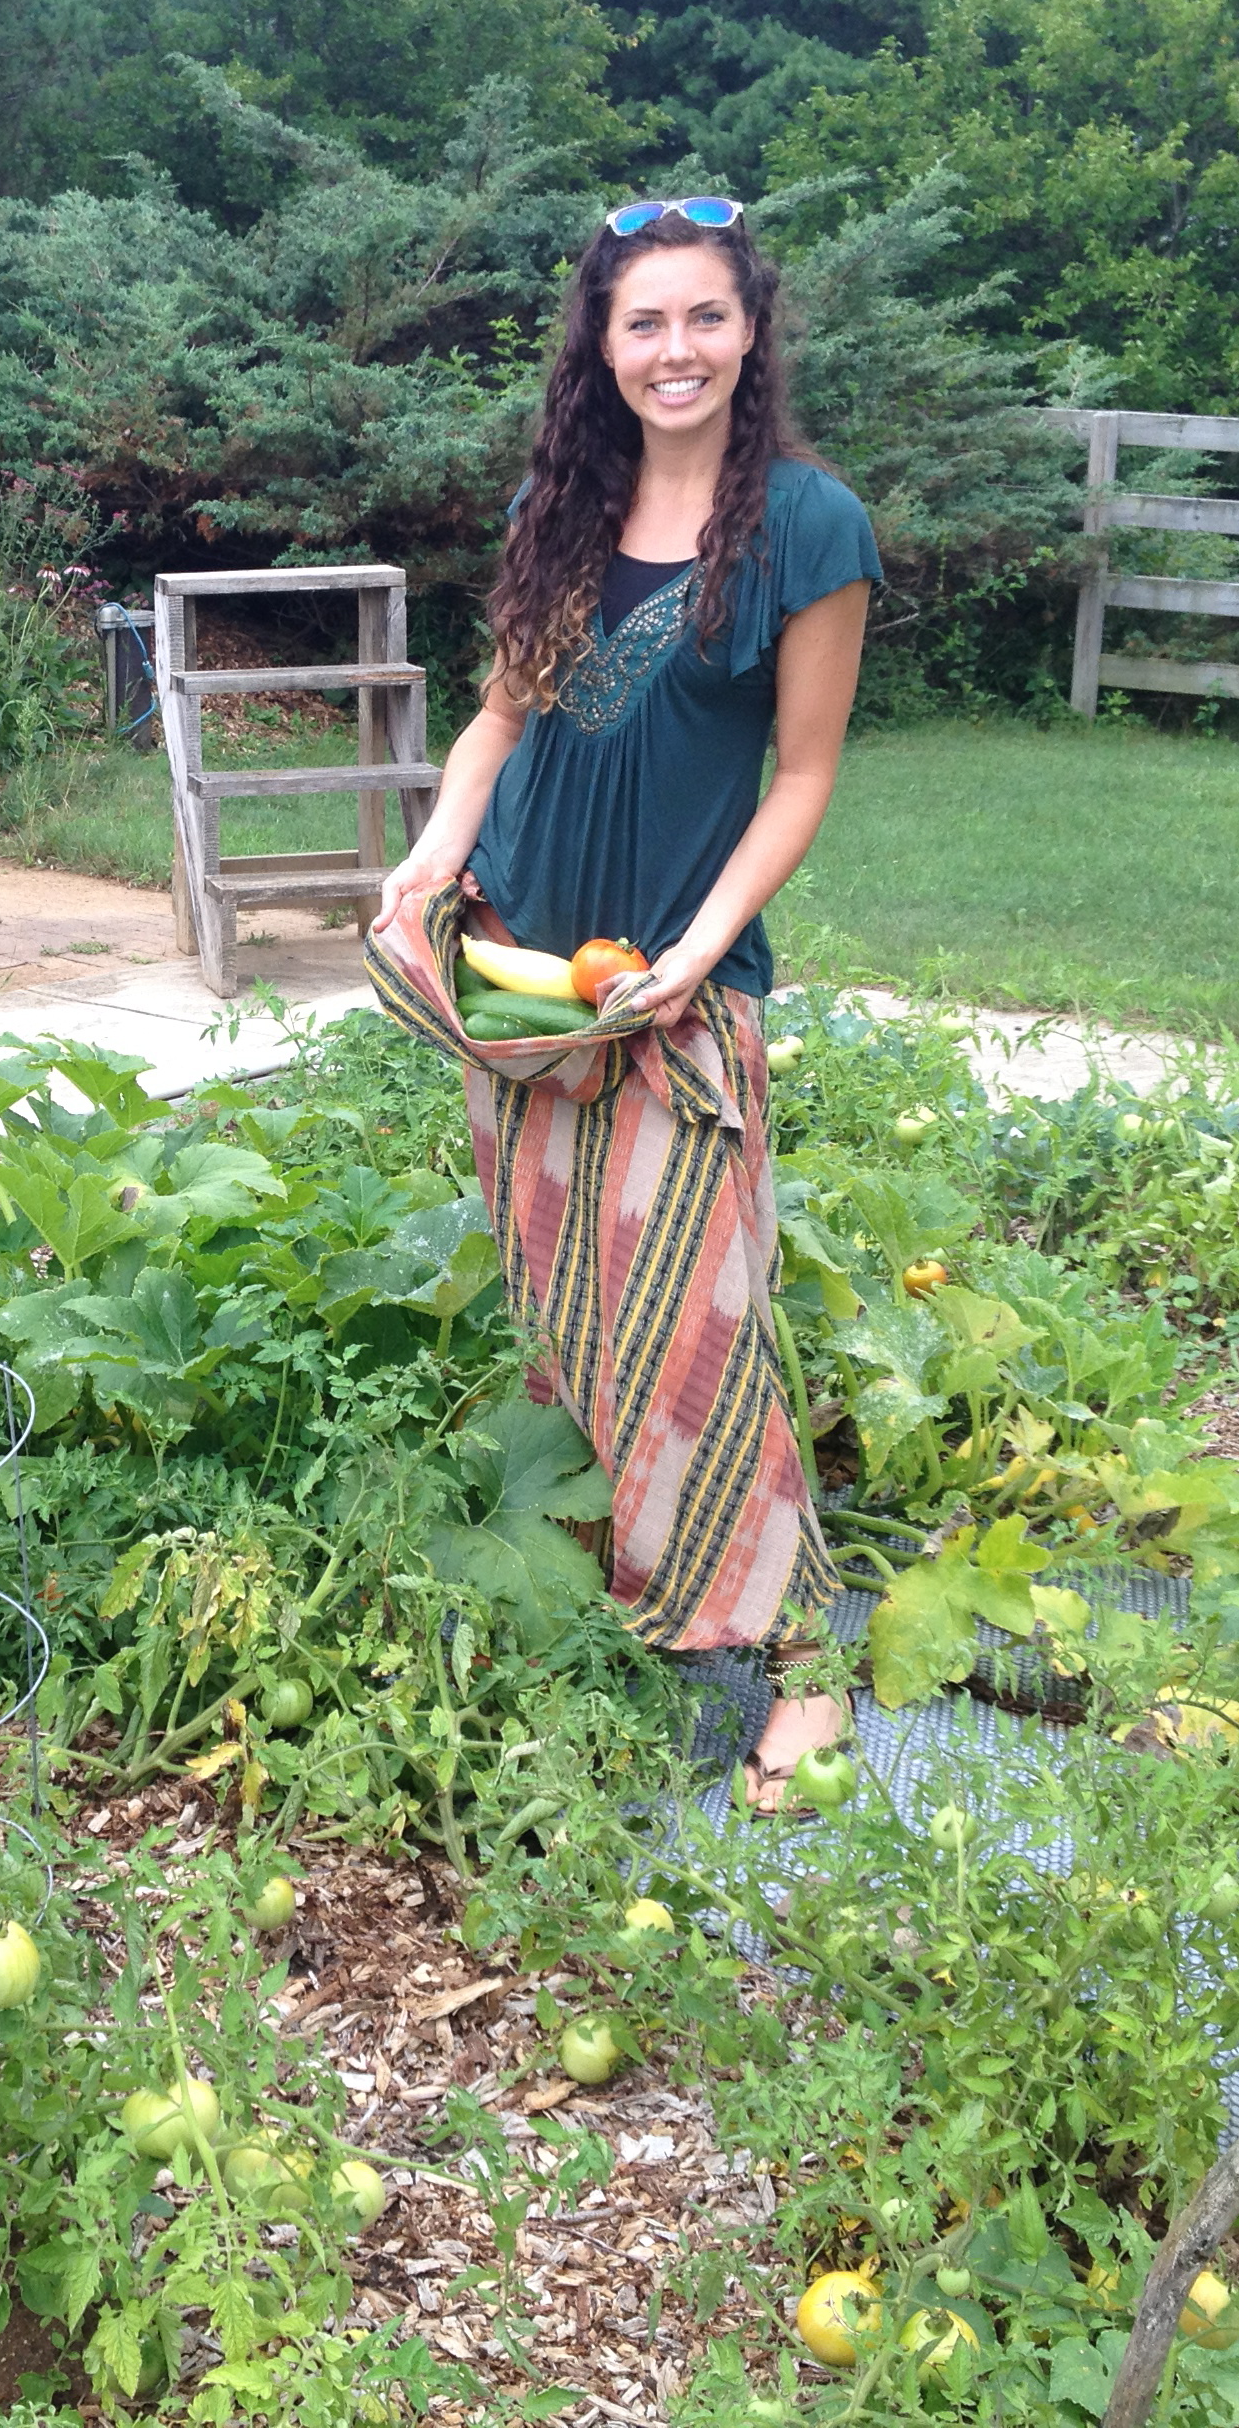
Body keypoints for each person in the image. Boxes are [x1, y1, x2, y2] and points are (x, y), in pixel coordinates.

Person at [367, 193, 877, 1679]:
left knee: (699, 1332)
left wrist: (700, 954)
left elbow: (803, 776)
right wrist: (433, 857)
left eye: (706, 315)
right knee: (569, 1309)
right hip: (523, 984)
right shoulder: (562, 510)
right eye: (643, 320)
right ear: (603, 344)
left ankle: (785, 1653)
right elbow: (499, 721)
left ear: (751, 331)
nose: (676, 348)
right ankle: (615, 1589)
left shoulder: (808, 526)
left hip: (672, 989)